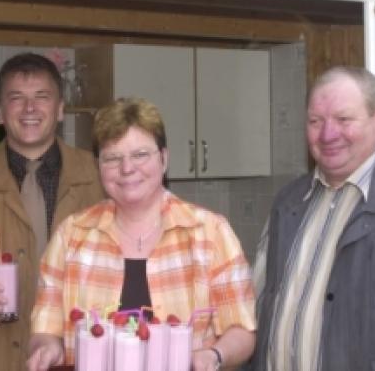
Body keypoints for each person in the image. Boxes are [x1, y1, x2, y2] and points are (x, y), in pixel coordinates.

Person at [27, 97, 256, 371]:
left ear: (164, 158)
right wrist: (48, 348)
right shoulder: (71, 236)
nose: (127, 169)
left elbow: (242, 330)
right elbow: (45, 329)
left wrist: (214, 355)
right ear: (98, 166)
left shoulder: (211, 232)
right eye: (112, 158)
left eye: (140, 155)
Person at [250, 66, 375, 370]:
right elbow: (259, 302)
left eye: (343, 120)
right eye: (315, 121)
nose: (328, 134)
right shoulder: (288, 202)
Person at [0, 52, 104, 371]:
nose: (30, 108)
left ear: (60, 110)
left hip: (81, 358)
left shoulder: (100, 178)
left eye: (42, 97)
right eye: (17, 98)